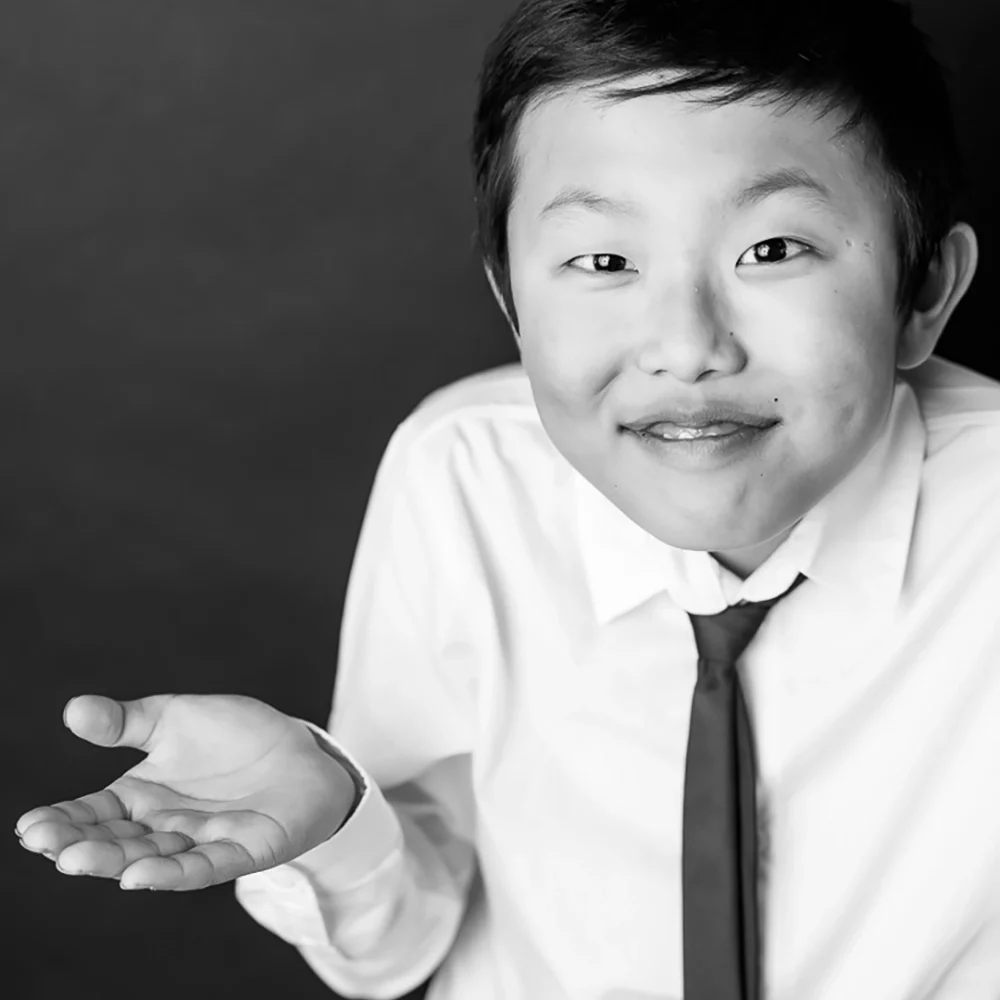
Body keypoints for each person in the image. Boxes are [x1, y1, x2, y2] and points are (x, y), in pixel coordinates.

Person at [14, 0, 1000, 997]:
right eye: (604, 262)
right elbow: (392, 952)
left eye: (773, 250)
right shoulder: (464, 475)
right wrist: (339, 822)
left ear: (922, 291)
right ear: (513, 306)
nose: (689, 347)